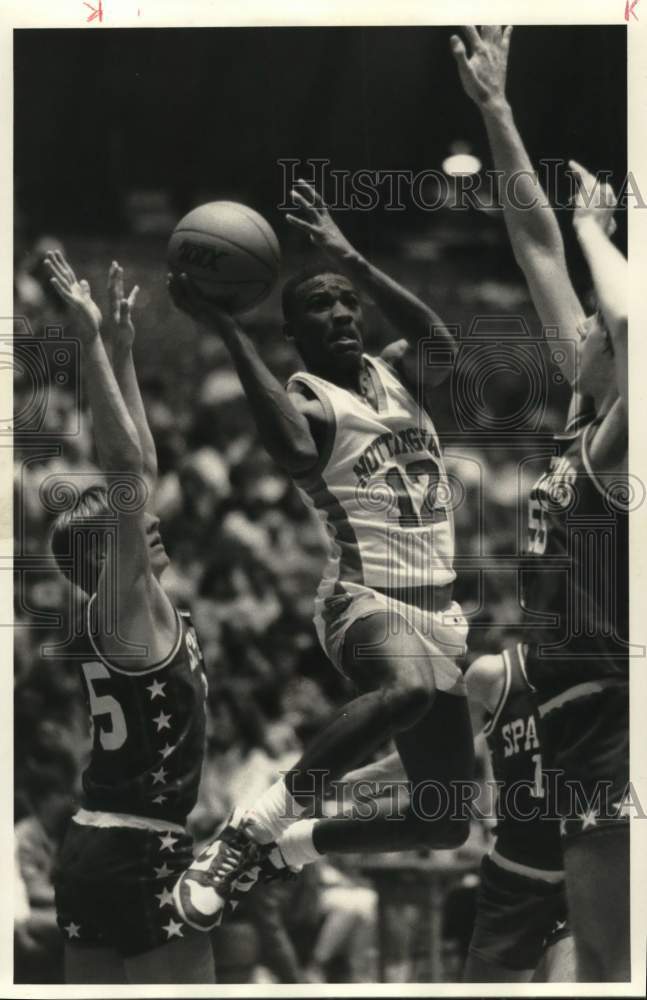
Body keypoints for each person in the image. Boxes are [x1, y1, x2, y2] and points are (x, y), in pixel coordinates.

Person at [170, 182, 475, 930]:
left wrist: (354, 261)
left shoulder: (397, 370)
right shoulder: (305, 401)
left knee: (445, 819)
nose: (339, 312)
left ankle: (293, 848)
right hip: (363, 601)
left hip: (442, 618)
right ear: (291, 336)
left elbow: (442, 342)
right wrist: (224, 329)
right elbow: (289, 447)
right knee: (403, 693)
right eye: (318, 306)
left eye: (345, 302)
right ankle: (248, 832)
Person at [452, 26, 629, 981]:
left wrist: (601, 234)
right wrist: (497, 112)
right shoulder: (583, 404)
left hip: (607, 702)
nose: (584, 325)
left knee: (608, 962)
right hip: (560, 706)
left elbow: (626, 318)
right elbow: (533, 244)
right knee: (589, 955)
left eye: (597, 325)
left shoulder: (619, 435)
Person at [44, 252, 215, 984]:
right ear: (107, 551)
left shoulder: (115, 610)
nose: (146, 524)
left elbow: (138, 467)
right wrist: (89, 345)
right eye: (124, 525)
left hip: (92, 848)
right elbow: (128, 474)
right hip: (142, 851)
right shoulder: (125, 605)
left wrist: (121, 348)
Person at [463, 644, 574, 982]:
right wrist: (358, 776)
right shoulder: (492, 674)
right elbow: (438, 758)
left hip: (587, 874)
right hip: (515, 880)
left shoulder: (617, 674)